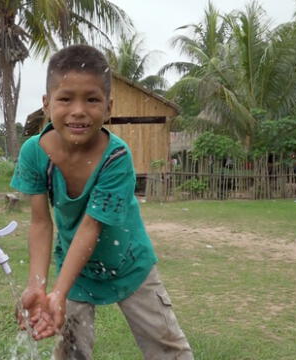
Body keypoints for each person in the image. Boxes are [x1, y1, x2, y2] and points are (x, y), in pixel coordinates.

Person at [10, 44, 193, 359]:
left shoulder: (117, 156)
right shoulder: (34, 153)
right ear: (46, 104)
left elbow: (91, 226)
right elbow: (41, 222)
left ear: (108, 107)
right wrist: (38, 286)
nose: (78, 110)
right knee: (71, 350)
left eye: (92, 99)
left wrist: (60, 292)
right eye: (65, 98)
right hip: (75, 266)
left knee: (168, 348)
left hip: (129, 263)